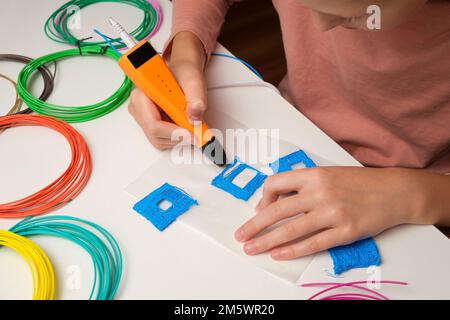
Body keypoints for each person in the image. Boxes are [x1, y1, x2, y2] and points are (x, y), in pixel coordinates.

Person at [128, 0, 450, 260]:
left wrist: (413, 195)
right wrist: (186, 50)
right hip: (293, 122)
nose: (319, 26)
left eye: (355, 15)